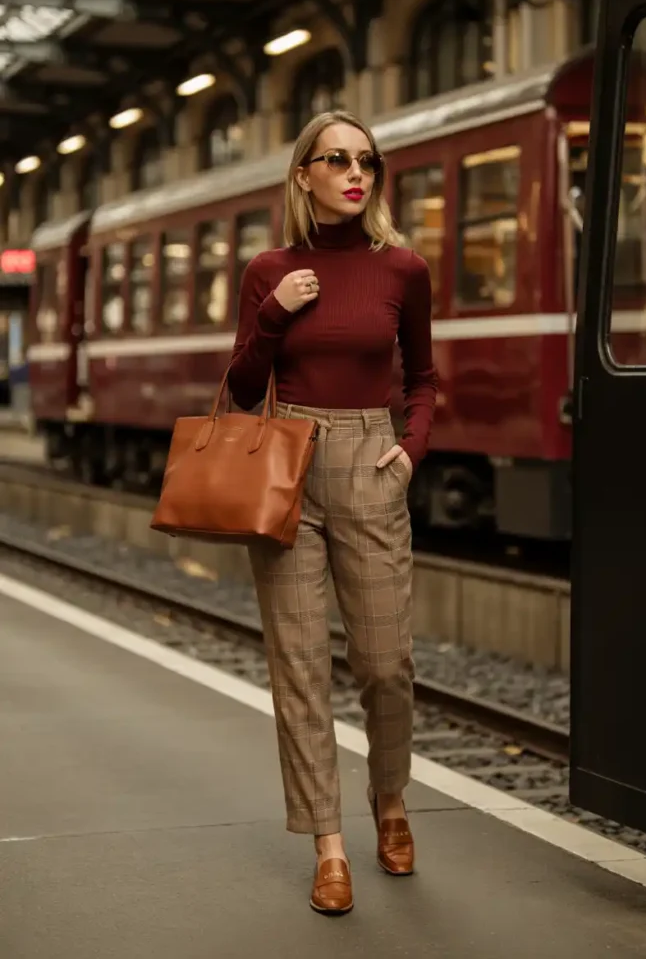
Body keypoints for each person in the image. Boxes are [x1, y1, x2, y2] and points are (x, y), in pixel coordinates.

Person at [228, 109, 437, 916]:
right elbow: (242, 387)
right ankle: (328, 844)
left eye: (367, 162)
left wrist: (409, 450)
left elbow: (424, 377)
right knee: (300, 668)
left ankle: (390, 797)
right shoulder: (268, 270)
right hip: (286, 461)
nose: (356, 174)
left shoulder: (402, 269)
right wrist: (274, 312)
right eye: (338, 160)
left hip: (369, 460)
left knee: (385, 663)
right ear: (303, 174)